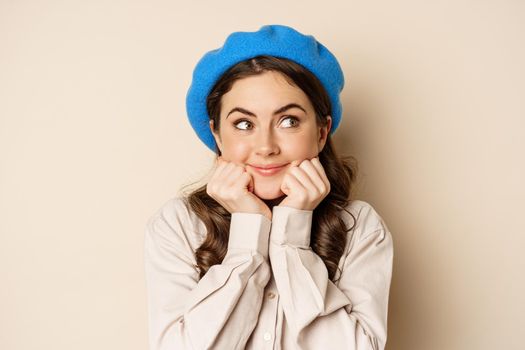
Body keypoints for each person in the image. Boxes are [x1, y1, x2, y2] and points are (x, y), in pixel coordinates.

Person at [144, 24, 394, 350]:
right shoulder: (177, 225)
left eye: (288, 120)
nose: (265, 146)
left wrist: (292, 238)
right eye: (244, 124)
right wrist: (248, 234)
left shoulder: (360, 228)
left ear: (321, 132)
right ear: (217, 135)